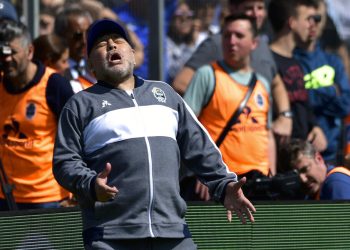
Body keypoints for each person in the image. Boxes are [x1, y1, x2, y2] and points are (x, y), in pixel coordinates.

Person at [53, 18, 256, 249]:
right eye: (101, 44)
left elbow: (200, 146)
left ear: (132, 52)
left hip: (172, 230)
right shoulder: (80, 104)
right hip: (110, 234)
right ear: (91, 65)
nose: (111, 46)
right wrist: (91, 185)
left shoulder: (165, 94)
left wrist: (225, 185)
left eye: (117, 40)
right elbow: (64, 162)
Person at [173, 0, 292, 143]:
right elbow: (181, 82)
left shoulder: (262, 44)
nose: (255, 14)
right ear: (233, 8)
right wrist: (225, 104)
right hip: (224, 150)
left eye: (260, 8)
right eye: (249, 8)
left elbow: (276, 83)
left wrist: (285, 115)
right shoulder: (218, 43)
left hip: (260, 145)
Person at [183, 13, 273, 201]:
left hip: (259, 182)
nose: (231, 41)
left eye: (239, 36)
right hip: (222, 183)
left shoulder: (262, 83)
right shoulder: (207, 75)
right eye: (226, 35)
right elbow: (187, 129)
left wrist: (271, 175)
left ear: (254, 43)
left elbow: (267, 134)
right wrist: (206, 173)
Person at [0, 20, 74, 210]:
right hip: (4, 197)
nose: (7, 59)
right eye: (2, 54)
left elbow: (77, 138)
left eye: (13, 53)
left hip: (47, 198)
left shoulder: (54, 85)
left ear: (30, 51)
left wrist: (75, 189)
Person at [267, 0, 327, 170]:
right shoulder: (266, 60)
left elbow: (303, 104)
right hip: (278, 162)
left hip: (300, 159)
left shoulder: (296, 61)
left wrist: (314, 125)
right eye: (308, 19)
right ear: (292, 22)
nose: (313, 24)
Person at [293, 0, 350, 165]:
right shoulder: (291, 62)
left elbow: (345, 105)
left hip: (333, 153)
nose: (313, 24)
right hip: (303, 155)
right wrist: (331, 91)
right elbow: (296, 103)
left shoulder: (333, 61)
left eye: (318, 19)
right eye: (309, 19)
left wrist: (308, 94)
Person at [283, 139, 350, 200]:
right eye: (296, 175)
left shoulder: (336, 182)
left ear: (319, 159)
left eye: (305, 169)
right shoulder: (312, 193)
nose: (303, 179)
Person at [54, 4, 95, 91]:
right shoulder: (55, 71)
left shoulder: (97, 66)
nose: (84, 41)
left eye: (88, 33)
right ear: (61, 36)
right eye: (77, 36)